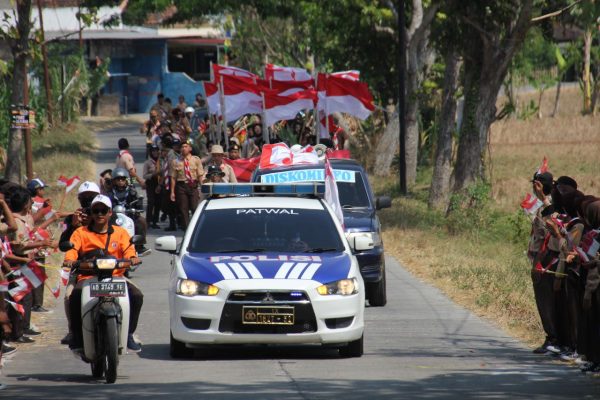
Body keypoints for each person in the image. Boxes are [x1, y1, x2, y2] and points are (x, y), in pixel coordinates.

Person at [63, 195, 143, 353]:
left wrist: (133, 259)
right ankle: (77, 338)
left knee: (137, 295)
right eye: (96, 210)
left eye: (103, 210)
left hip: (116, 277)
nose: (99, 214)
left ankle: (128, 335)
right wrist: (70, 260)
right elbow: (72, 250)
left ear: (110, 213)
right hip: (87, 277)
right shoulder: (80, 232)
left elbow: (129, 250)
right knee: (74, 297)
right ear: (91, 213)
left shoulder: (120, 233)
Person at [58, 181, 101, 345]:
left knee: (133, 293)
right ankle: (73, 330)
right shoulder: (71, 219)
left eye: (93, 197)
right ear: (79, 199)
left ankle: (128, 333)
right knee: (69, 296)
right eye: (85, 198)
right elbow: (63, 245)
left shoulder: (107, 216)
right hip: (82, 268)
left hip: (108, 267)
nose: (89, 201)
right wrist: (73, 227)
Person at [108, 168, 150, 256]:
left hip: (129, 215)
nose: (120, 181)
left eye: (123, 179)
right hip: (113, 216)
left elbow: (138, 204)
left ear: (126, 180)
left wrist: (137, 207)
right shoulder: (110, 193)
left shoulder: (132, 192)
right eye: (118, 179)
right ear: (114, 181)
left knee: (141, 221)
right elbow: (106, 203)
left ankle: (139, 246)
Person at [170, 141, 204, 229]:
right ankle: (186, 228)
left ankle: (196, 227)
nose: (184, 148)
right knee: (183, 209)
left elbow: (200, 175)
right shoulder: (175, 161)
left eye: (186, 146)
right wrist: (172, 192)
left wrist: (202, 188)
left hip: (193, 185)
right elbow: (173, 177)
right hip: (181, 186)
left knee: (194, 207)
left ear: (190, 148)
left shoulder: (196, 159)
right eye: (182, 147)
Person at [158, 143, 177, 231]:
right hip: (166, 184)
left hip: (171, 183)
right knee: (167, 205)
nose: (162, 153)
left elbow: (170, 173)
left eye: (163, 151)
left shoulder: (172, 158)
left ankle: (176, 223)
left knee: (171, 205)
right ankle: (172, 222)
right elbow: (163, 173)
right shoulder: (164, 159)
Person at [143, 145, 161, 229]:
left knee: (158, 203)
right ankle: (148, 221)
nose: (155, 153)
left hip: (159, 183)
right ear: (151, 152)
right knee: (151, 202)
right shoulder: (148, 162)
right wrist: (153, 174)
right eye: (153, 151)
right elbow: (144, 175)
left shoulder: (161, 161)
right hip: (150, 183)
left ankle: (155, 221)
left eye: (156, 151)